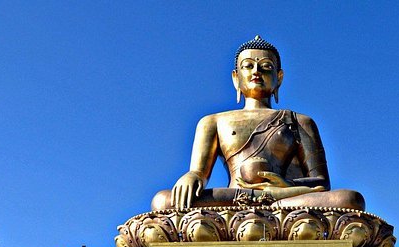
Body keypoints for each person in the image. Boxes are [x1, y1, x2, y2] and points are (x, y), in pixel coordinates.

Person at [151, 36, 365, 212]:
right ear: (236, 78)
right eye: (248, 66)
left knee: (349, 200)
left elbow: (321, 183)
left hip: (285, 198)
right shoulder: (212, 122)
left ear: (278, 78)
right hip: (234, 197)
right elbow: (199, 173)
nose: (256, 72)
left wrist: (286, 187)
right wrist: (192, 176)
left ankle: (271, 207)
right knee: (163, 202)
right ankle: (270, 210)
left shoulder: (299, 121)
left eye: (265, 67)